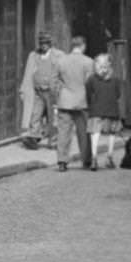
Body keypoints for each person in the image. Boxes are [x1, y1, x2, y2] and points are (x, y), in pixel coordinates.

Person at [52, 33, 95, 171]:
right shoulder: (88, 62)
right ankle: (86, 160)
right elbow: (90, 84)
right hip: (82, 101)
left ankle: (62, 161)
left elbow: (54, 81)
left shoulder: (61, 61)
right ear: (83, 46)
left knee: (63, 132)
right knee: (84, 132)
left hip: (65, 101)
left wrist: (57, 95)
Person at [20, 32, 60, 148]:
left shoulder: (57, 55)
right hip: (38, 91)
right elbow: (29, 72)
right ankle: (34, 137)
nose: (43, 46)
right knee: (35, 114)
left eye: (46, 43)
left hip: (51, 91)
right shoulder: (34, 55)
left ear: (50, 44)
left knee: (52, 117)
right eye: (42, 43)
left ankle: (54, 141)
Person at [87, 51, 124, 169]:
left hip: (96, 109)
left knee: (95, 134)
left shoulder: (91, 79)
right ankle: (109, 157)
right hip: (112, 109)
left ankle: (94, 159)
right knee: (112, 134)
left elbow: (88, 94)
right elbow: (118, 95)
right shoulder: (115, 80)